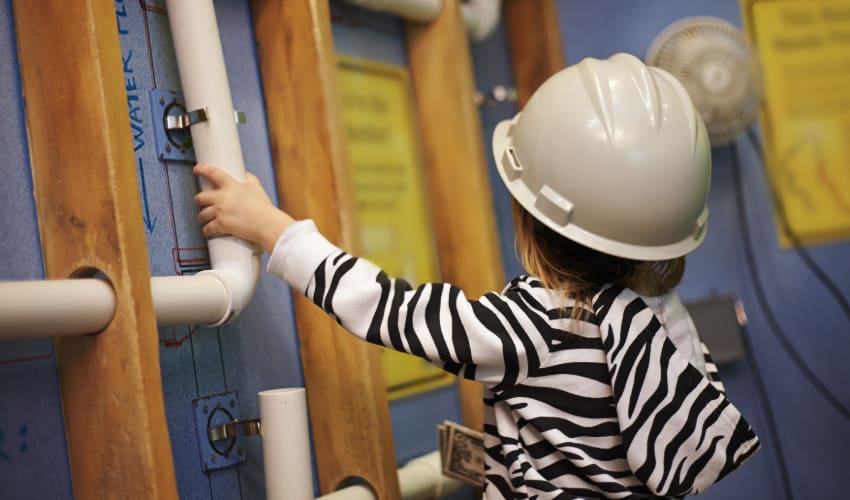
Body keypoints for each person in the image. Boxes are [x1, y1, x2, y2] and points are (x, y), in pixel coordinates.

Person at [194, 52, 759, 499]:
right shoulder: (667, 322)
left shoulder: (535, 325)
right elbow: (594, 450)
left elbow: (394, 313)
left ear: (529, 218)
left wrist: (274, 229)